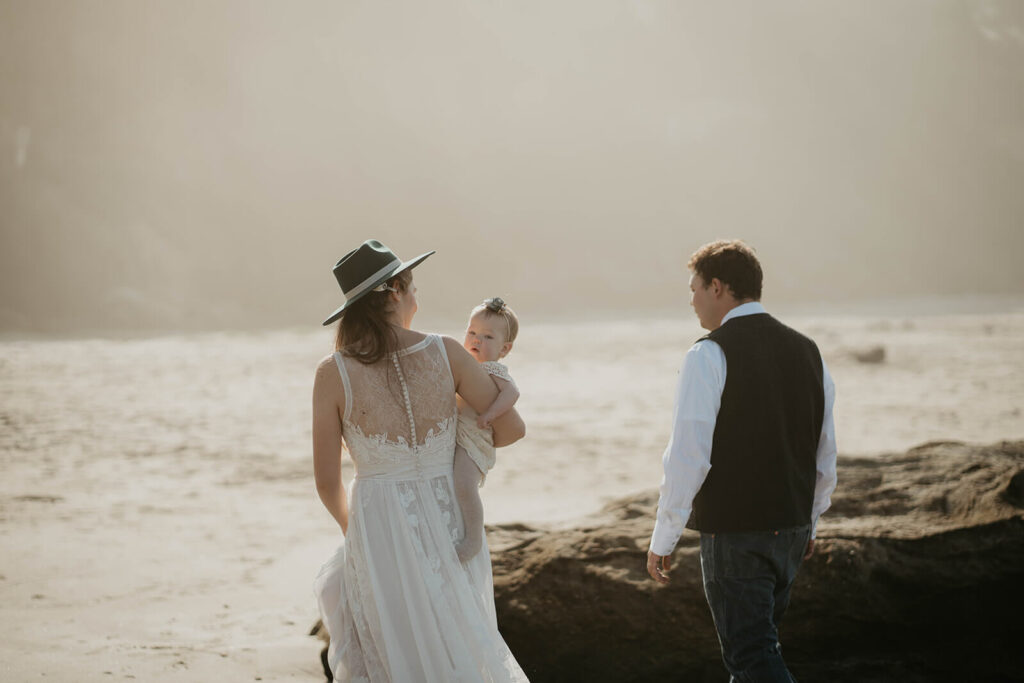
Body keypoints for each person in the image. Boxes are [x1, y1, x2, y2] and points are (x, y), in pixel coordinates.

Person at [312, 239, 529, 682]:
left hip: (377, 526)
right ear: (395, 291)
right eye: (413, 288)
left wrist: (354, 534)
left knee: (395, 655)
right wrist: (463, 430)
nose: (417, 298)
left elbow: (326, 481)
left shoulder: (332, 373)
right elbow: (509, 430)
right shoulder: (448, 352)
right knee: (458, 643)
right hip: (449, 514)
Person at [646, 240, 837, 682]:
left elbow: (688, 455)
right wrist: (811, 519)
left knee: (751, 658)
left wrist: (664, 536)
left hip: (737, 535)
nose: (691, 299)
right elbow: (824, 450)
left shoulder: (707, 353)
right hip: (790, 529)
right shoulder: (810, 351)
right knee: (754, 655)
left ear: (718, 287)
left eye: (694, 288)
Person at [452, 297, 521, 562]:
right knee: (454, 484)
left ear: (505, 349)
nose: (476, 340)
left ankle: (473, 539)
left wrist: (491, 414)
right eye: (472, 333)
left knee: (464, 484)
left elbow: (512, 392)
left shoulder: (493, 370)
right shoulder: (465, 366)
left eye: (488, 337)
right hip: (459, 435)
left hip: (475, 440)